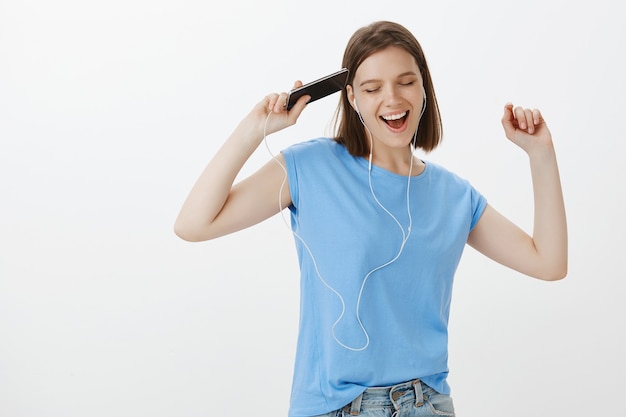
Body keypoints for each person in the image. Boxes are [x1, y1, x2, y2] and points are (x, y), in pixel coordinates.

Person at [174, 20, 567, 417]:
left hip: (426, 404)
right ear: (352, 99)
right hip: (335, 407)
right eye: (372, 88)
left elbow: (548, 263)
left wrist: (541, 154)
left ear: (424, 87)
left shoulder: (454, 196)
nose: (392, 99)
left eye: (405, 82)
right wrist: (255, 128)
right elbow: (193, 224)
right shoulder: (310, 167)